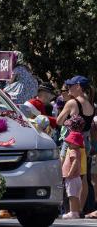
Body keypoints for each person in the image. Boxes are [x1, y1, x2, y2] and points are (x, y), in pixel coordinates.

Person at [58, 75, 95, 213]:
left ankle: (64, 209)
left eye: (70, 86)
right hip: (85, 143)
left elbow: (59, 121)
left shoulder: (72, 103)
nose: (68, 89)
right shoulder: (90, 104)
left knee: (63, 173)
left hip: (71, 142)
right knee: (83, 177)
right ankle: (78, 210)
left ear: (78, 87)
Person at [63, 131, 84, 219]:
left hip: (72, 177)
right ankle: (75, 212)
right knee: (74, 195)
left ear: (75, 143)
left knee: (72, 195)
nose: (69, 144)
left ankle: (72, 212)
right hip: (76, 177)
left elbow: (75, 162)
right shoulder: (77, 150)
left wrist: (70, 173)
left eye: (71, 142)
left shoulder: (73, 151)